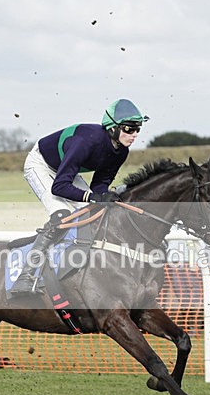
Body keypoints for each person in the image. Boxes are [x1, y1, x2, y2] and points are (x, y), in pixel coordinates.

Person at [9, 98, 148, 296]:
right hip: (40, 164)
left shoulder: (121, 152)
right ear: (112, 128)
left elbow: (99, 186)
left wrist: (103, 196)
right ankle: (26, 276)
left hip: (65, 170)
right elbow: (59, 187)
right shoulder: (85, 141)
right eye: (129, 129)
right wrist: (93, 197)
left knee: (90, 214)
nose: (134, 135)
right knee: (62, 215)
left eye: (138, 130)